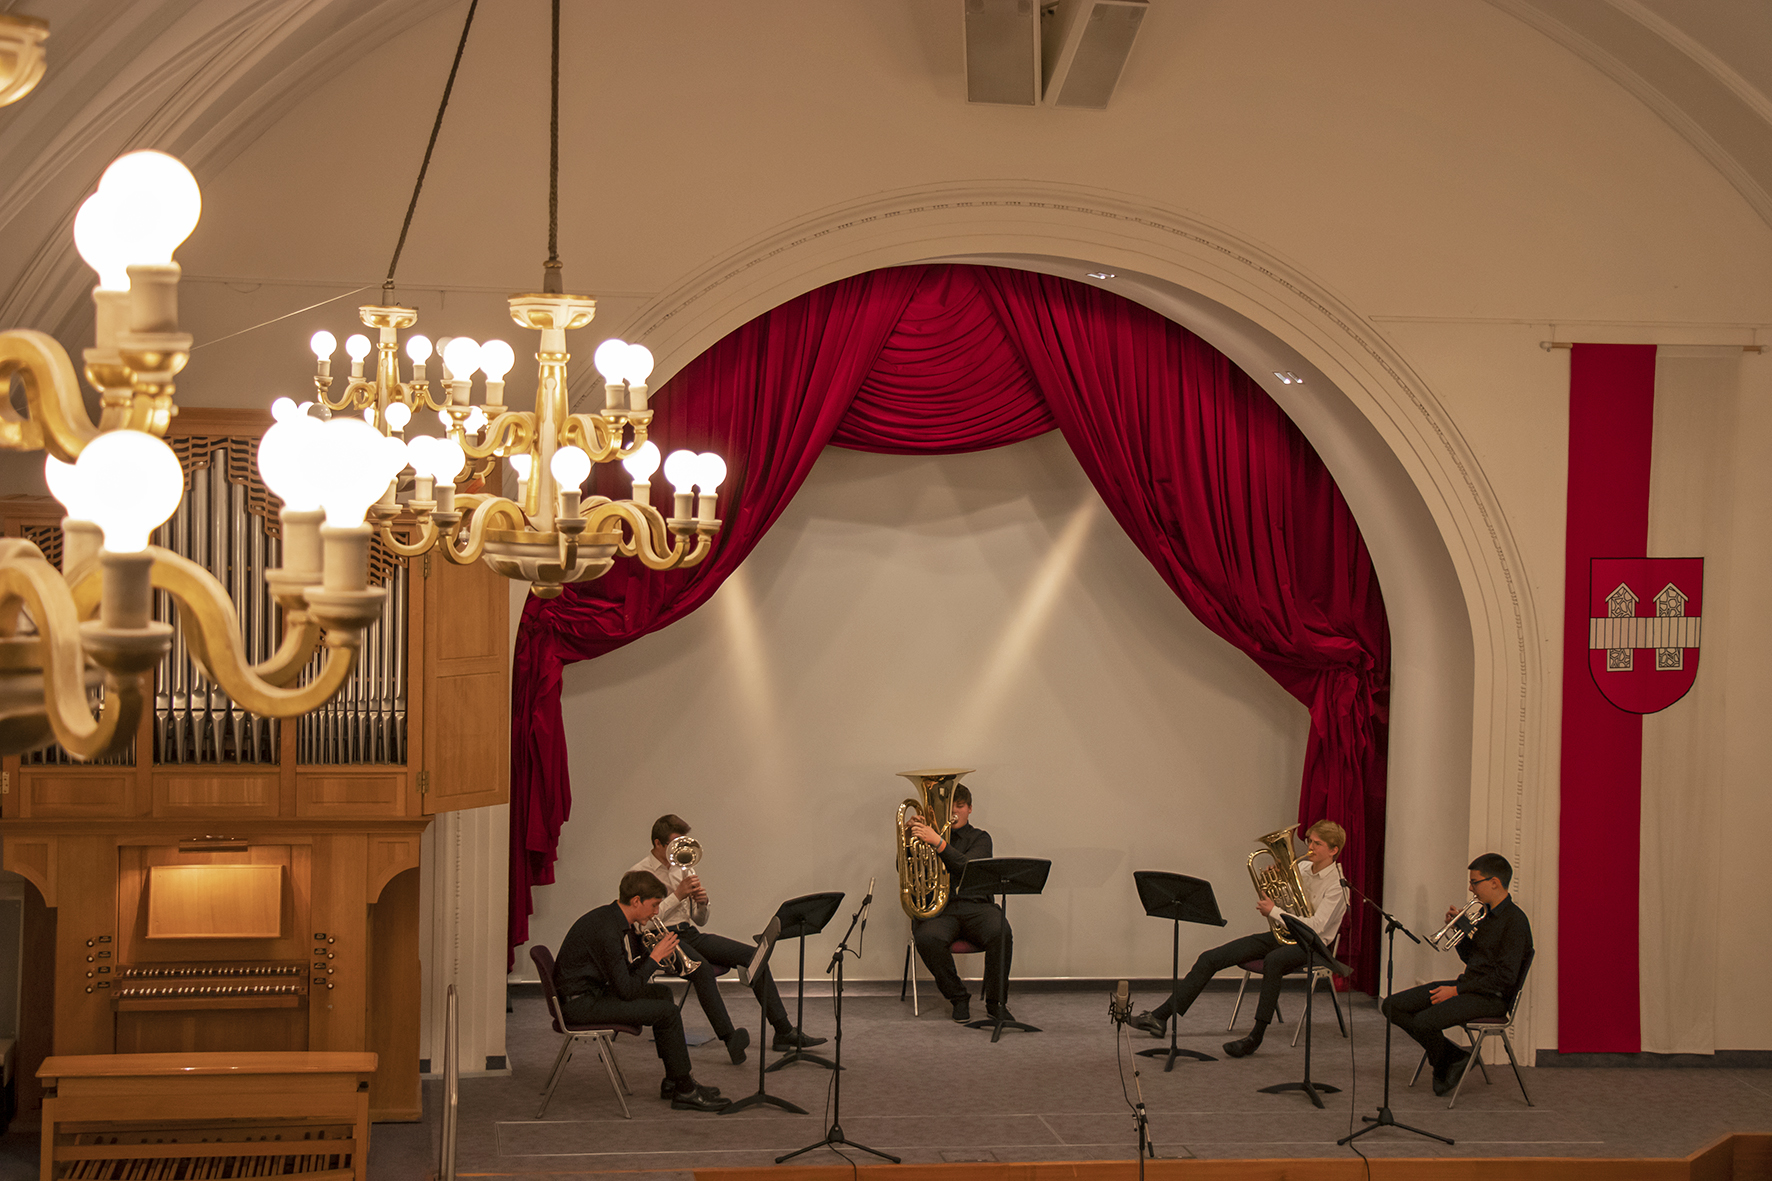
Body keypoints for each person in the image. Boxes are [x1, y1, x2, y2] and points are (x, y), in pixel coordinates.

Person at [1130, 820, 1350, 1058]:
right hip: (1286, 935)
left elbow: (1316, 927)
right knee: (1211, 957)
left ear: (1333, 850)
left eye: (1317, 843)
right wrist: (1274, 884)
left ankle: (1255, 1037)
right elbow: (1288, 904)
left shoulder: (1338, 885)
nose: (1310, 847)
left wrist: (1274, 911)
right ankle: (1160, 1017)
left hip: (1312, 945)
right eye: (1309, 841)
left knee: (1274, 961)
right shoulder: (1304, 868)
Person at [632, 815, 826, 1064]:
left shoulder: (683, 867)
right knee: (701, 970)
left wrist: (702, 904)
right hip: (659, 939)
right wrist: (677, 895)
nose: (679, 850)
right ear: (657, 844)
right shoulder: (639, 873)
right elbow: (641, 922)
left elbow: (700, 920)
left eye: (682, 843)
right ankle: (730, 1038)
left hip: (689, 933)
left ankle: (783, 1030)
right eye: (673, 844)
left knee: (755, 956)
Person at [552, 871, 730, 1111]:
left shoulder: (611, 919)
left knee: (662, 994)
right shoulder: (607, 930)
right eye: (654, 905)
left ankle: (673, 1080)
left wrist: (649, 955)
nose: (657, 912)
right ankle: (686, 1090)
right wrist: (655, 958)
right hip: (580, 1005)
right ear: (636, 901)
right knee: (667, 1012)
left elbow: (622, 974)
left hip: (590, 993)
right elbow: (626, 990)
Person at [1383, 852, 1532, 1096]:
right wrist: (1460, 932)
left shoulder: (1515, 921)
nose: (1471, 888)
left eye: (1475, 882)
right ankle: (1454, 1058)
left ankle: (1449, 1062)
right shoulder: (1483, 914)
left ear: (1494, 882)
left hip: (1491, 998)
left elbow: (1505, 978)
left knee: (1424, 1021)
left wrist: (1456, 991)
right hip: (1470, 986)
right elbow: (1472, 959)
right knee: (1391, 1005)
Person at [907, 784, 1015, 1024]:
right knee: (926, 938)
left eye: (960, 806)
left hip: (977, 906)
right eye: (949, 808)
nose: (954, 812)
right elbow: (906, 871)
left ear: (970, 809)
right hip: (942, 910)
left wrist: (939, 843)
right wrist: (908, 840)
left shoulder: (980, 838)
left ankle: (996, 1003)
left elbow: (968, 867)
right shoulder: (926, 836)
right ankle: (958, 997)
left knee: (1002, 932)